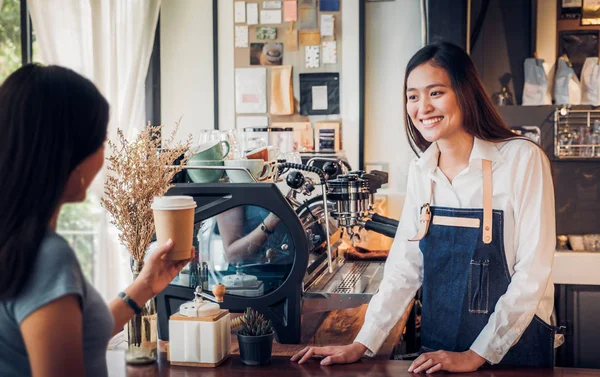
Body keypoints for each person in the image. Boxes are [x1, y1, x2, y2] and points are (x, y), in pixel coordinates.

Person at [291, 41, 557, 373]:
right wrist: (362, 342)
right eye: (413, 96)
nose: (423, 107)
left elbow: (532, 274)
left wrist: (477, 354)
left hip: (514, 350)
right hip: (441, 350)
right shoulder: (423, 171)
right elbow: (405, 267)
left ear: (465, 92)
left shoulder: (522, 158)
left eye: (436, 93)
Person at [0, 64, 191, 377]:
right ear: (67, 154)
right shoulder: (46, 256)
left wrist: (146, 283)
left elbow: (76, 339)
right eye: (100, 143)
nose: (104, 159)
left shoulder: (15, 242)